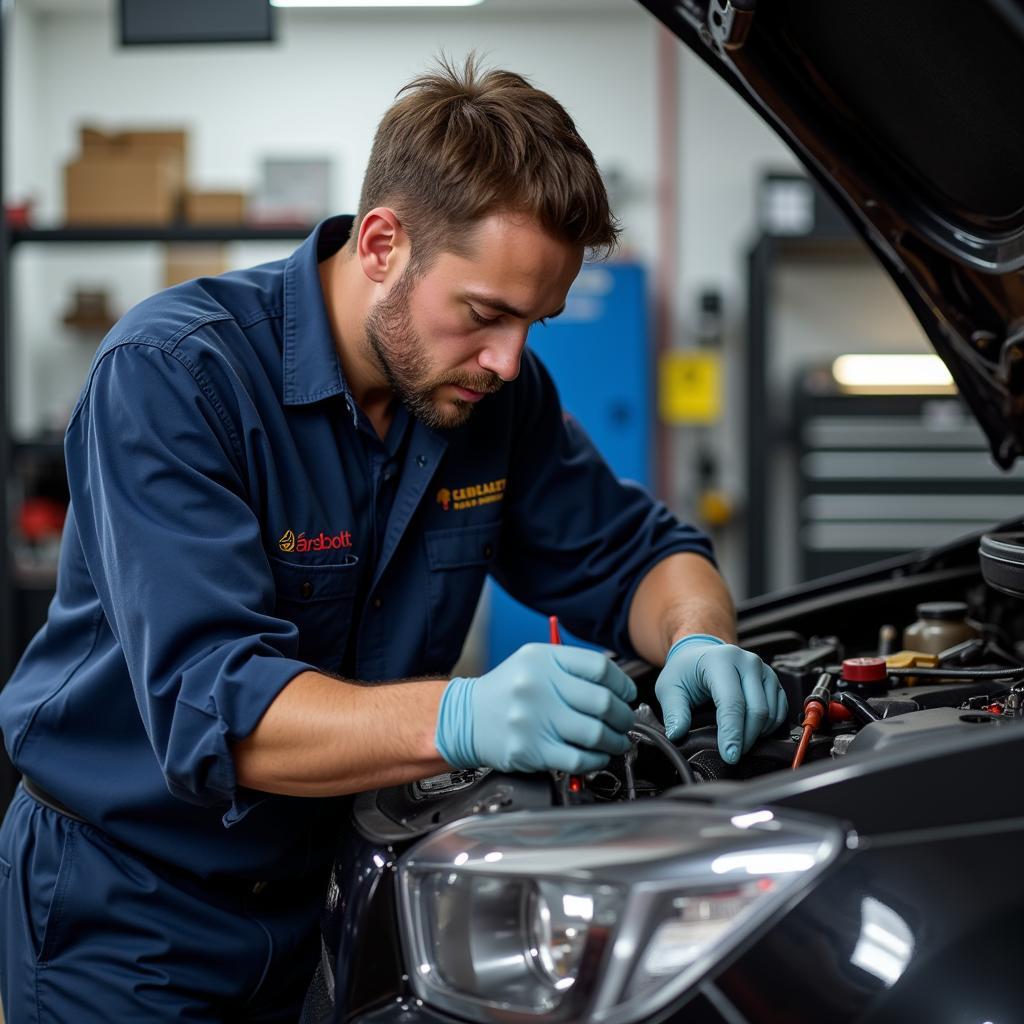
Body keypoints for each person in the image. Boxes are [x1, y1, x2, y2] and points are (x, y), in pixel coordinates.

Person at [0, 57, 786, 1021]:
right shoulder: (172, 378)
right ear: (382, 243)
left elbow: (643, 555)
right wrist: (459, 717)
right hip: (128, 910)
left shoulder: (491, 395)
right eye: (485, 315)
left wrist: (701, 634)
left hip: (337, 891)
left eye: (533, 324)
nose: (508, 360)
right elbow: (221, 707)